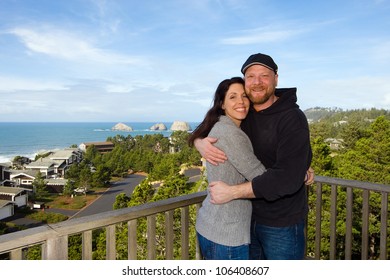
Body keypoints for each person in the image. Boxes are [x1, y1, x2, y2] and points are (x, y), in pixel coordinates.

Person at [194, 53, 313, 260]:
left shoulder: (292, 118)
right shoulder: (244, 114)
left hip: (280, 223)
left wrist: (232, 192)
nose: (257, 82)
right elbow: (212, 128)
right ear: (245, 81)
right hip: (246, 221)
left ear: (276, 78)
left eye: (264, 76)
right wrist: (199, 143)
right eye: (251, 76)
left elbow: (285, 177)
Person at [188, 77, 267, 260]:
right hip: (226, 233)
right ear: (222, 104)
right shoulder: (231, 133)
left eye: (244, 96)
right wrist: (292, 173)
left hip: (211, 224)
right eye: (233, 97)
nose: (240, 101)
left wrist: (198, 141)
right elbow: (261, 178)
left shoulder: (221, 126)